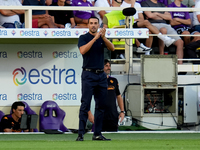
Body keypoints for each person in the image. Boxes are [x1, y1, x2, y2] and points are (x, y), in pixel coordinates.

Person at [76, 16, 115, 141]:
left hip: (101, 75)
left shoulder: (102, 38)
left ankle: (97, 133)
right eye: (91, 23)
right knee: (85, 105)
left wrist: (103, 37)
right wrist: (95, 38)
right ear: (88, 25)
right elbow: (83, 50)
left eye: (95, 23)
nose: (93, 25)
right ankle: (81, 134)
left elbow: (112, 48)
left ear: (98, 25)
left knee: (101, 106)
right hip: (88, 74)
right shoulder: (83, 38)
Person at [141, 0, 184, 64]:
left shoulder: (162, 4)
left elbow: (169, 17)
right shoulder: (145, 3)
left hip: (166, 25)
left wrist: (156, 14)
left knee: (180, 42)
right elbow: (149, 15)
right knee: (163, 30)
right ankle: (162, 55)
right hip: (153, 25)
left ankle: (180, 66)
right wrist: (163, 16)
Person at [88, 59, 125, 132]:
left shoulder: (114, 81)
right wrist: (89, 113)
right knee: (97, 138)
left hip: (112, 116)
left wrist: (122, 111)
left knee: (113, 138)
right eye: (106, 66)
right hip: (100, 116)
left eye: (109, 66)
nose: (109, 68)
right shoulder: (96, 81)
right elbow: (87, 98)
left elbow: (119, 96)